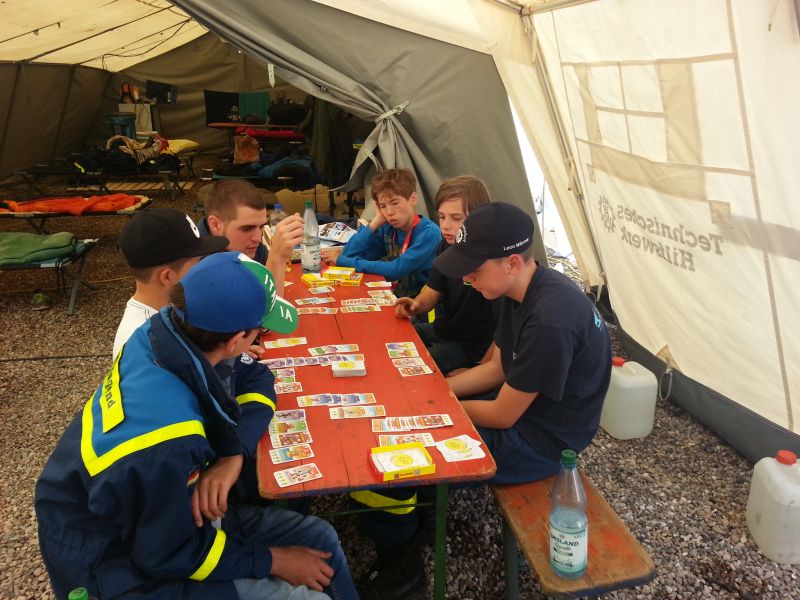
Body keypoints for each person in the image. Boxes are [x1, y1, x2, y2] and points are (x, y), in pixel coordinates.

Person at [35, 252, 358, 600]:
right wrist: (272, 561)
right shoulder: (171, 439)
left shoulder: (161, 331)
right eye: (259, 331)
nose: (259, 339)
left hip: (160, 515)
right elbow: (168, 554)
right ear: (235, 341)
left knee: (319, 538)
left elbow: (258, 377)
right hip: (114, 565)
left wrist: (234, 453)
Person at [434, 202, 612, 483]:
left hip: (540, 440)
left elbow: (502, 415)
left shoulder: (549, 320)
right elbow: (497, 368)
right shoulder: (518, 287)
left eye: (475, 269)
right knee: (429, 414)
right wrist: (434, 391)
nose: (466, 278)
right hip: (523, 409)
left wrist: (434, 407)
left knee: (423, 447)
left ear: (512, 263)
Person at [394, 176, 497, 375]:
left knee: (410, 368)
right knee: (391, 336)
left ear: (479, 217)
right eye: (441, 217)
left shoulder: (493, 260)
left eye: (456, 218)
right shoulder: (446, 244)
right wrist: (415, 305)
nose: (445, 226)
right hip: (442, 329)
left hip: (471, 346)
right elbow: (433, 290)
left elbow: (504, 332)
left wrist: (477, 370)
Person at [113, 207, 229, 359]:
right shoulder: (149, 341)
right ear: (167, 277)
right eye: (197, 264)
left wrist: (223, 351)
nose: (202, 269)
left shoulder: (165, 311)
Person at [333, 168, 440, 298]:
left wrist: (343, 261)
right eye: (383, 206)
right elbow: (349, 255)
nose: (389, 212)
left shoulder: (429, 233)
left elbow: (396, 270)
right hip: (395, 298)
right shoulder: (388, 228)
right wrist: (376, 222)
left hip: (421, 305)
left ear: (413, 198)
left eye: (394, 203)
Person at [198, 178, 303, 294]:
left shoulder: (252, 248)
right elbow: (264, 304)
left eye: (262, 226)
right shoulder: (197, 264)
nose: (257, 238)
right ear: (215, 225)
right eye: (247, 229)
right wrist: (276, 258)